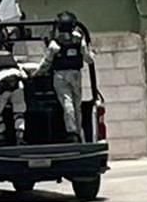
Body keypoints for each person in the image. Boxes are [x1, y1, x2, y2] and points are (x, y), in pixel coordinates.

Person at [39, 11, 101, 143]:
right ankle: (79, 135)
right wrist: (93, 54)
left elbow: (46, 63)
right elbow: (88, 59)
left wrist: (36, 74)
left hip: (60, 76)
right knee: (77, 105)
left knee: (67, 103)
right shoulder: (79, 39)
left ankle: (72, 132)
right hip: (76, 74)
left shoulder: (55, 43)